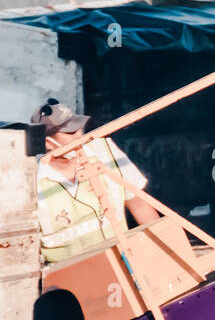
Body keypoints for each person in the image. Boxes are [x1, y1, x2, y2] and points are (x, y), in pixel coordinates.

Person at [32, 97, 159, 265]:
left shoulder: (104, 152)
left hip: (125, 265)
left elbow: (139, 205)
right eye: (70, 132)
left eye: (79, 127)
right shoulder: (32, 182)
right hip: (71, 282)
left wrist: (166, 254)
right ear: (49, 143)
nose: (80, 135)